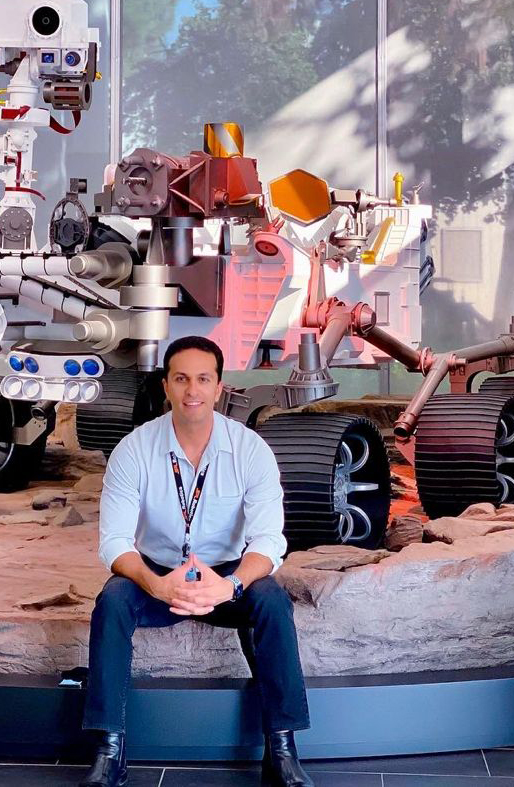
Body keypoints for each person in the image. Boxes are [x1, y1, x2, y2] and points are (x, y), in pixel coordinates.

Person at [79, 335, 313, 787]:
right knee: (112, 601)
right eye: (182, 379)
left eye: (203, 379)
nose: (192, 391)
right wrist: (156, 585)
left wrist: (231, 586)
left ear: (220, 387)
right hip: (158, 574)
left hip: (228, 576)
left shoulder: (251, 450)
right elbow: (113, 543)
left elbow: (268, 541)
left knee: (272, 601)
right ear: (165, 385)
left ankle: (282, 749)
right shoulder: (134, 449)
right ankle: (109, 750)